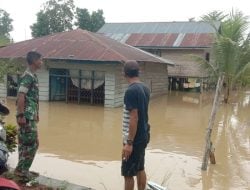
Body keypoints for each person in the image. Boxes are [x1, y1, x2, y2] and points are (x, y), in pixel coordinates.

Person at [122, 60, 150, 190]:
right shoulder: (145, 88)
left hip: (133, 139)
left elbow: (134, 117)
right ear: (138, 72)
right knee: (140, 168)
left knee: (128, 174)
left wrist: (129, 143)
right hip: (143, 135)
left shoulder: (131, 91)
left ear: (125, 74)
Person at [14, 51, 42, 182]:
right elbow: (21, 96)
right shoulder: (28, 76)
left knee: (25, 143)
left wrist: (36, 114)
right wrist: (20, 115)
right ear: (35, 61)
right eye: (40, 60)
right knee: (32, 144)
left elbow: (32, 98)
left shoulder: (32, 76)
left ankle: (21, 170)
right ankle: (22, 171)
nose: (42, 62)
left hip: (30, 115)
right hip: (26, 116)